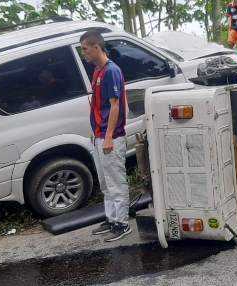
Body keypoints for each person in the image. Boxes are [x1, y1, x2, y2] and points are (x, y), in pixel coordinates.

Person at [80, 31, 131, 242]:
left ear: (96, 47)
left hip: (110, 136)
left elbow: (116, 105)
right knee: (105, 182)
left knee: (116, 181)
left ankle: (123, 223)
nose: (84, 53)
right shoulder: (97, 71)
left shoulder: (111, 71)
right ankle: (111, 219)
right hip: (98, 135)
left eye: (85, 49)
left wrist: (109, 135)